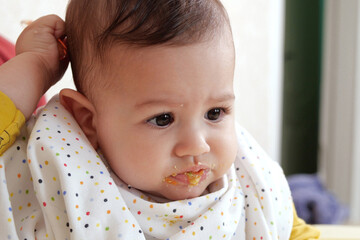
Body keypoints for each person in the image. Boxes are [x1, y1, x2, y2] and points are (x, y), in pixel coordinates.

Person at [0, 0, 320, 239]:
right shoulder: (63, 180)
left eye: (215, 113)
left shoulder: (252, 184)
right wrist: (36, 65)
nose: (197, 144)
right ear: (88, 121)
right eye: (163, 118)